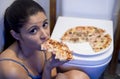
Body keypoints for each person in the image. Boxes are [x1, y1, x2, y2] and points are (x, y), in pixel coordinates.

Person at [0, 0, 90, 79]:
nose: (45, 35)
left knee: (80, 76)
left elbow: (53, 75)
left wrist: (52, 65)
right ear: (16, 35)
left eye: (44, 24)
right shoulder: (10, 68)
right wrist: (48, 67)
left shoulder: (43, 44)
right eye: (33, 30)